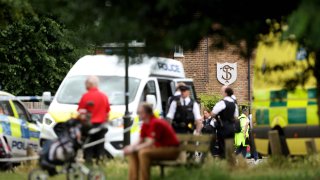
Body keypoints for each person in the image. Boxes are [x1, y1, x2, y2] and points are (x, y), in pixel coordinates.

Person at [124, 103, 180, 180]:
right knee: (134, 152)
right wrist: (130, 147)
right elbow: (140, 140)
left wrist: (133, 148)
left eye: (139, 112)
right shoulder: (145, 123)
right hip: (160, 149)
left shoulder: (156, 123)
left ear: (146, 113)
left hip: (172, 150)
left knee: (143, 153)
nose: (138, 114)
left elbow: (149, 142)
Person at [78, 75, 111, 162]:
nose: (85, 86)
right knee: (100, 145)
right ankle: (99, 160)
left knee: (88, 145)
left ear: (90, 84)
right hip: (101, 126)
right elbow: (107, 113)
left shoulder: (85, 96)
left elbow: (81, 113)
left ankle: (88, 161)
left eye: (86, 84)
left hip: (88, 126)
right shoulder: (104, 96)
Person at [211, 86, 238, 158]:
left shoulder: (222, 103)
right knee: (230, 147)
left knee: (222, 146)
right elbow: (236, 116)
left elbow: (213, 113)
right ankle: (231, 163)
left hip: (223, 127)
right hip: (231, 127)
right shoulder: (234, 103)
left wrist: (218, 118)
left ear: (226, 93)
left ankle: (223, 162)